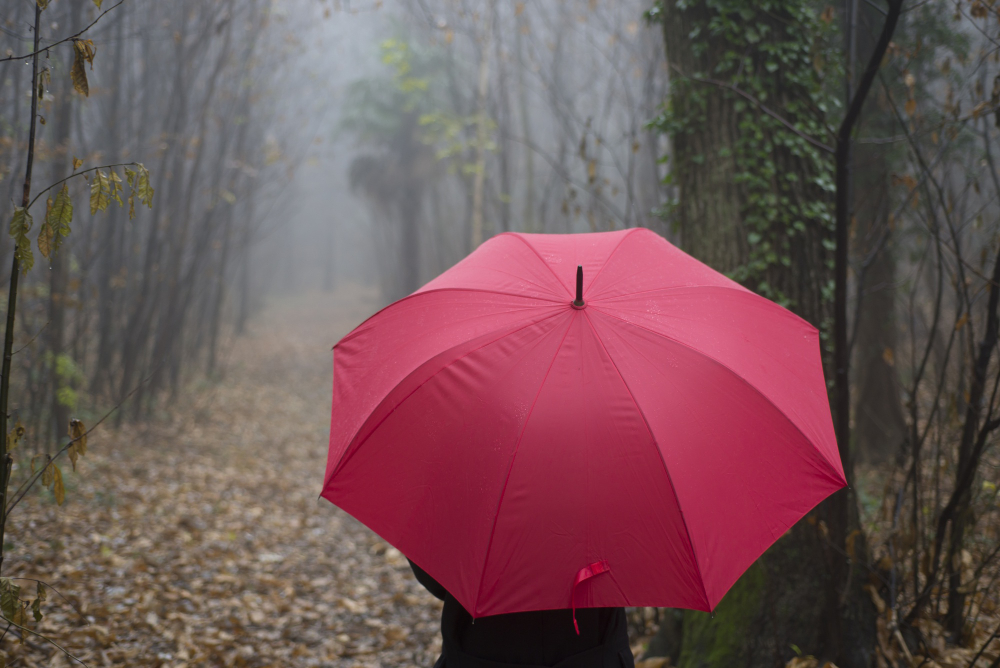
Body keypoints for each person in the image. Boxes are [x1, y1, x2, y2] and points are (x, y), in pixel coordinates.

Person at [409, 560, 635, 668]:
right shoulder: (614, 473)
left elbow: (435, 573)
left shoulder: (462, 473)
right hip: (593, 649)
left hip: (479, 647)